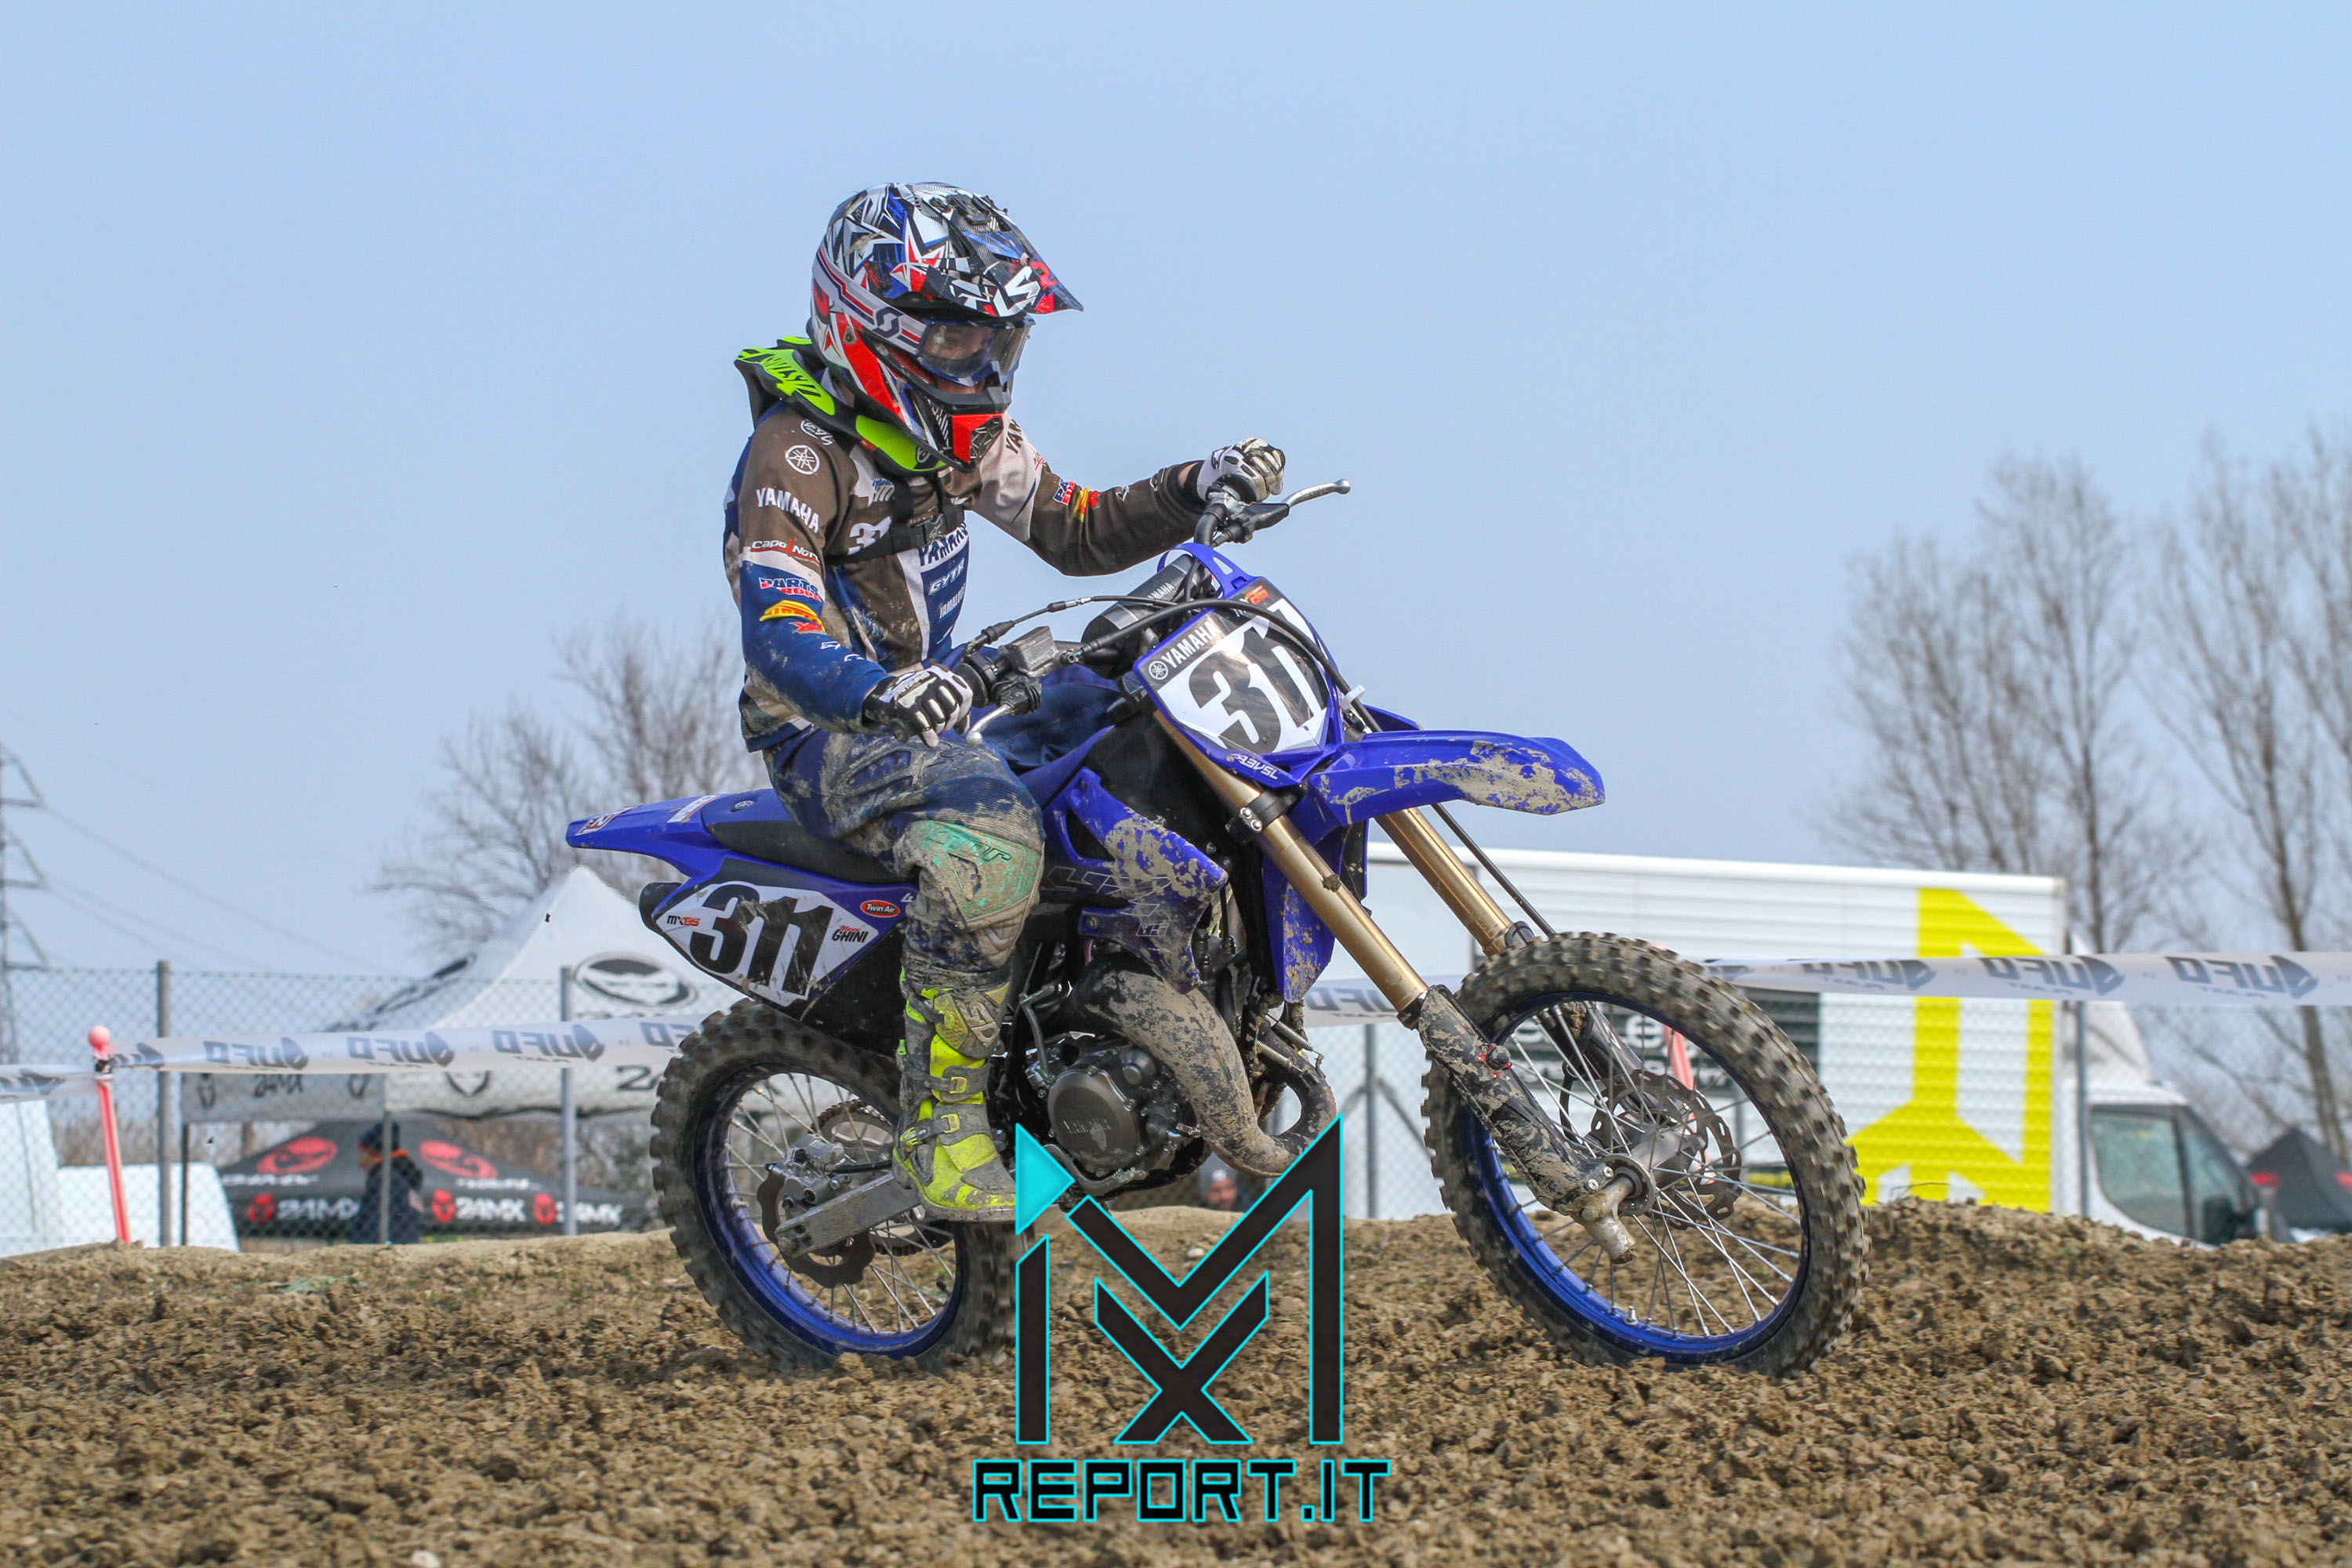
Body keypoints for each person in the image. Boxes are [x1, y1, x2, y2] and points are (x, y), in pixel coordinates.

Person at [724, 183, 1284, 1220]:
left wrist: (1192, 484)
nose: (981, 362)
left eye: (997, 338)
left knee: (1133, 727)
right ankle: (941, 1130)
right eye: (955, 335)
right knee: (994, 839)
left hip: (941, 707)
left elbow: (1076, 527)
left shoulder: (962, 438)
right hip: (828, 731)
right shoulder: (797, 454)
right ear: (869, 324)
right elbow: (779, 622)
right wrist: (878, 691)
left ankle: (1119, 1020)